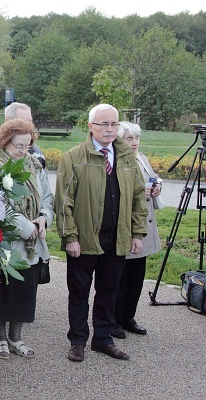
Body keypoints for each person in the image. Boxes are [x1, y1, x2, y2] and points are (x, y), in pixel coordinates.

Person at [54, 104, 147, 362]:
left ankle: (103, 338)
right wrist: (69, 237)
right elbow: (63, 202)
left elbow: (140, 198)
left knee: (109, 291)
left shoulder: (127, 157)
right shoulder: (75, 156)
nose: (109, 129)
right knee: (79, 292)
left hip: (116, 238)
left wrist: (137, 234)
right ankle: (78, 340)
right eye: (103, 124)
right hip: (84, 240)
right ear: (90, 126)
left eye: (114, 124)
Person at [0, 118, 54, 361]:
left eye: (27, 146)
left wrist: (44, 218)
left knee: (24, 291)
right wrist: (25, 226)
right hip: (7, 241)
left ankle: (16, 338)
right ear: (6, 143)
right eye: (19, 147)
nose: (24, 151)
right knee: (4, 291)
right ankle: (0, 339)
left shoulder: (34, 165)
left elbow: (47, 196)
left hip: (33, 242)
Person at [112, 121, 162, 338]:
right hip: (126, 226)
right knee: (119, 280)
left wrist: (157, 185)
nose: (134, 143)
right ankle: (114, 320)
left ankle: (128, 317)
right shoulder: (117, 161)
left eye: (137, 138)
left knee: (136, 278)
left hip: (144, 226)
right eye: (129, 138)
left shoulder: (141, 158)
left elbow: (152, 177)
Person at [0, 102, 45, 168]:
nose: (28, 125)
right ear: (8, 121)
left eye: (30, 121)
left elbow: (42, 174)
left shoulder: (35, 151)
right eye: (22, 122)